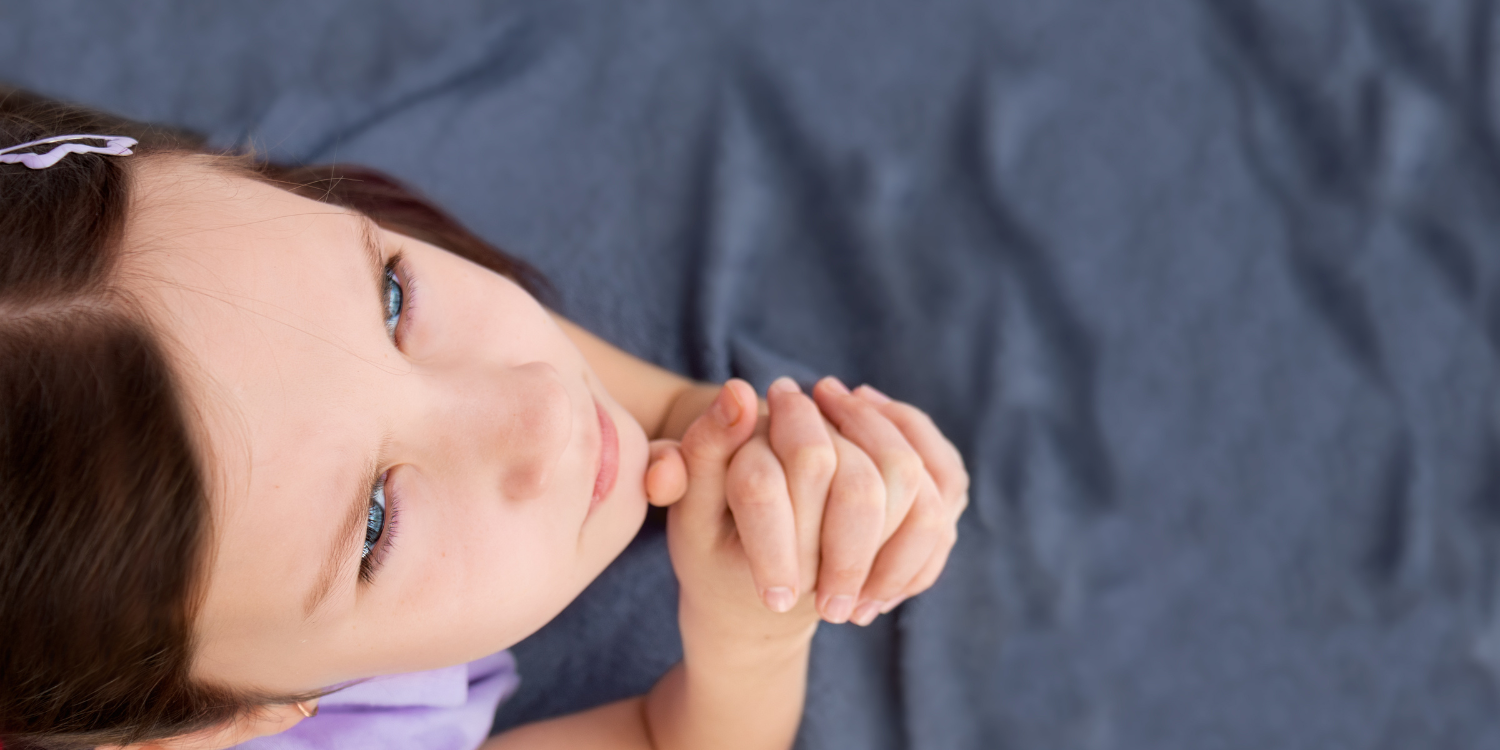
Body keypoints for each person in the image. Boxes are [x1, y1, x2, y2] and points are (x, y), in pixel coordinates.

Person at [0, 90, 969, 750]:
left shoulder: (225, 278)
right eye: (378, 521)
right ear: (210, 725)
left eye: (392, 299)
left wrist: (713, 427)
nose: (543, 411)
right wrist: (752, 634)